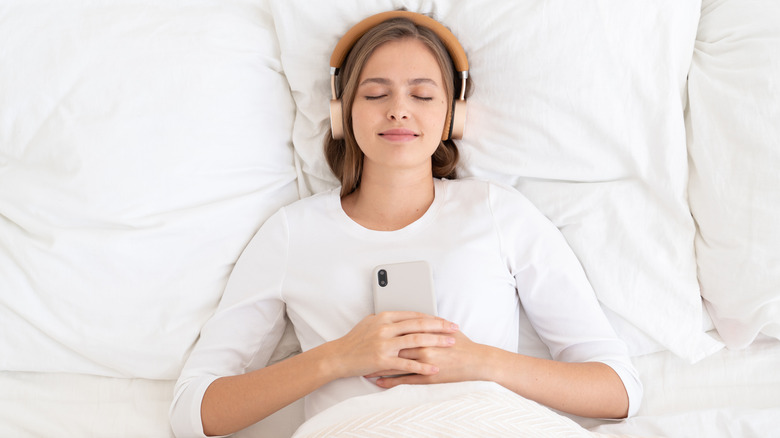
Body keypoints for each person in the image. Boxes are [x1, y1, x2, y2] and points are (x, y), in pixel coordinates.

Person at [170, 11, 642, 438]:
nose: (398, 109)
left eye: (421, 94)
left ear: (450, 115)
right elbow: (193, 413)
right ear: (342, 112)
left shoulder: (497, 211)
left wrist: (480, 361)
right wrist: (338, 357)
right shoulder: (292, 233)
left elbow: (618, 391)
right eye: (375, 94)